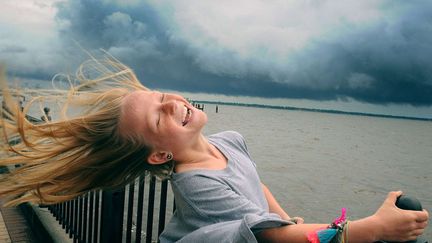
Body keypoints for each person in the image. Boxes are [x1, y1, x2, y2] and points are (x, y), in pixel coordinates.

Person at [0, 57, 428, 242]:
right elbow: (274, 240)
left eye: (161, 95)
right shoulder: (196, 184)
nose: (172, 102)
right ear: (157, 155)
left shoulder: (229, 141)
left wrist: (283, 218)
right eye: (157, 119)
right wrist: (373, 228)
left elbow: (257, 188)